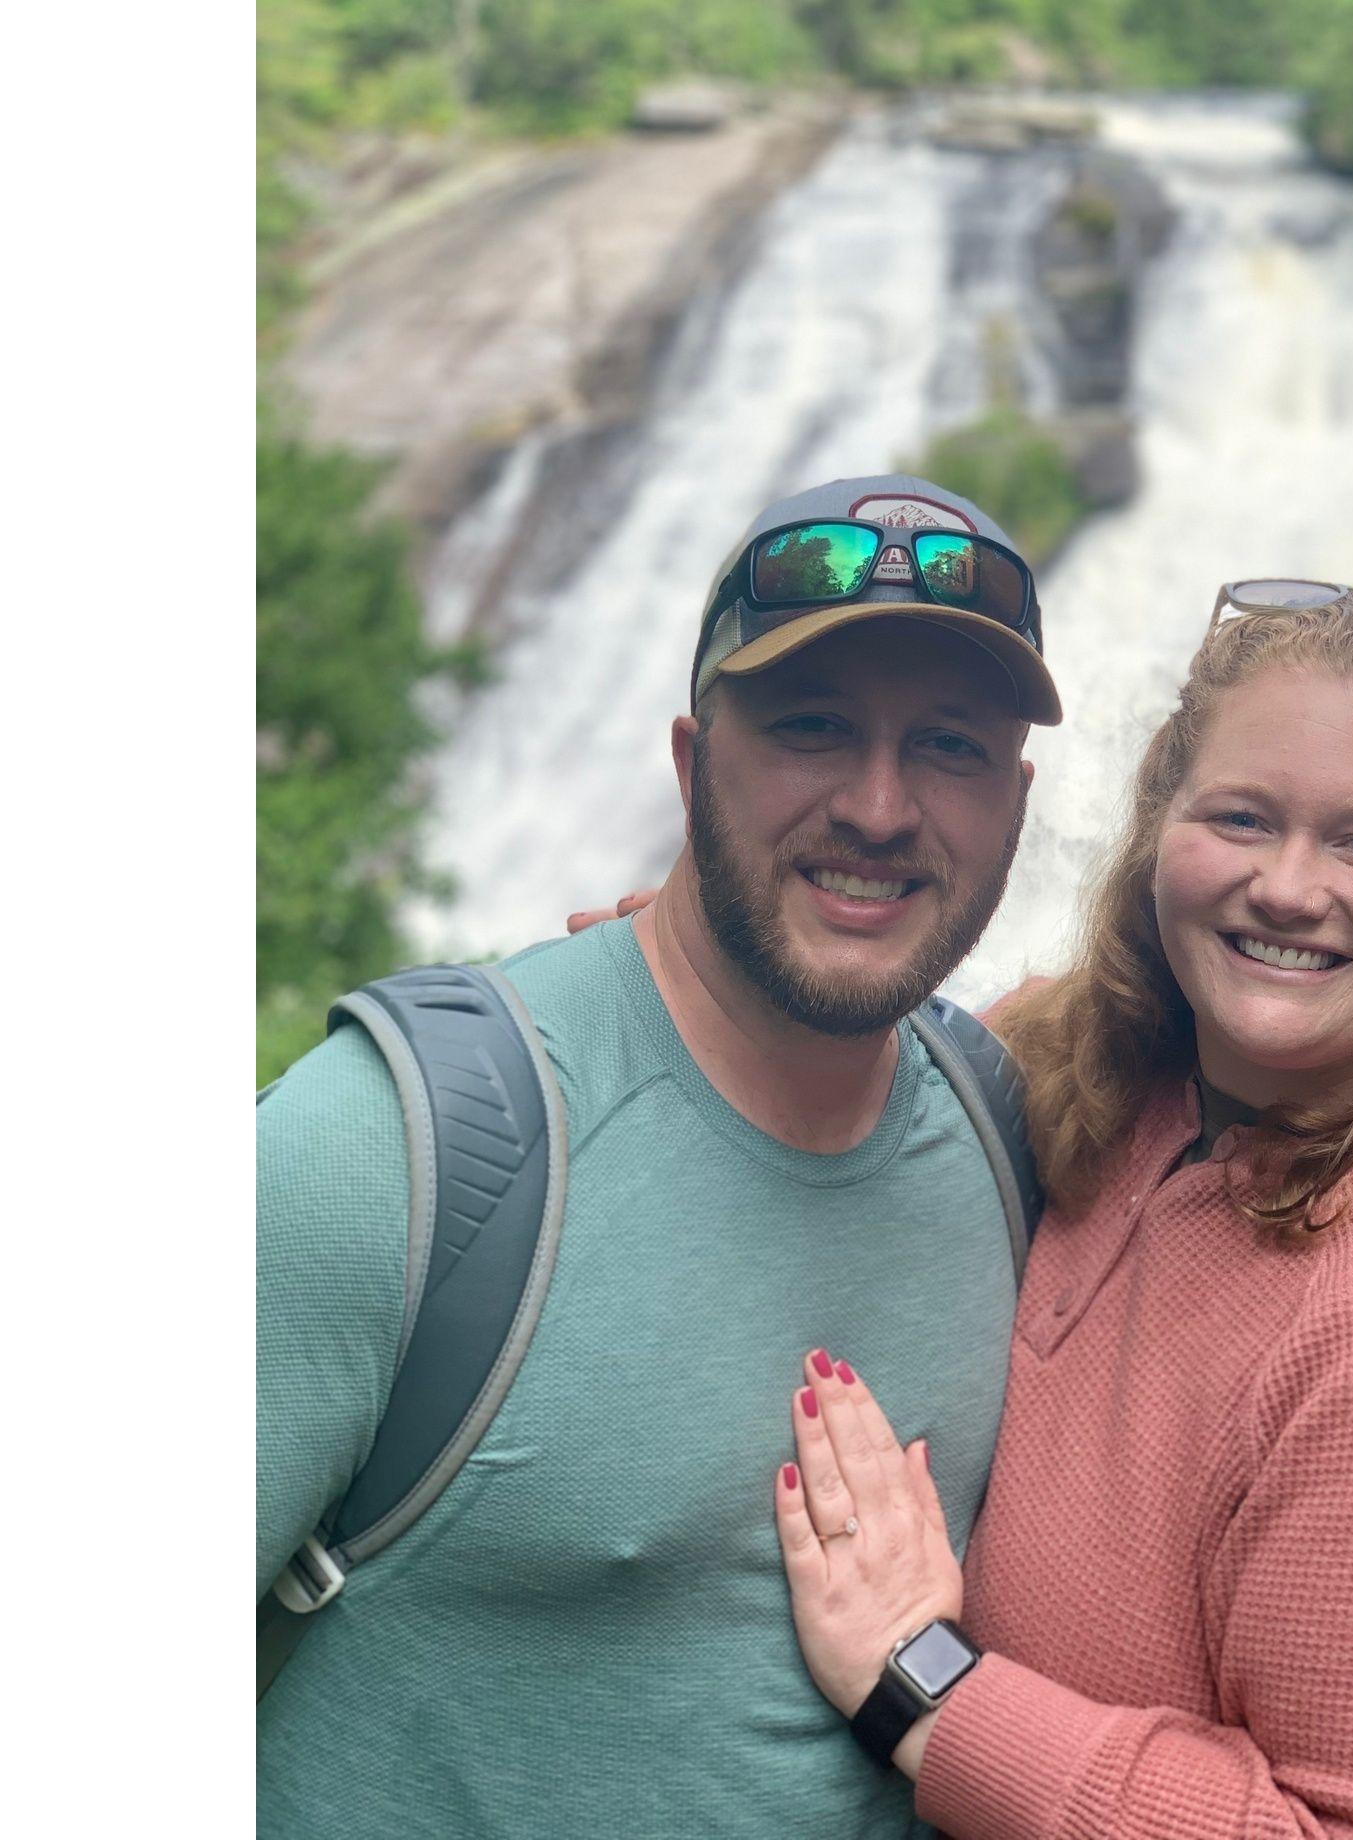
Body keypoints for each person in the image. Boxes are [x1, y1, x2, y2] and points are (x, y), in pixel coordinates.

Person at [746, 582, 1353, 1838]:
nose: (1287, 886)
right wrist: (716, 990)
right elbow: (861, 1072)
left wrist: (920, 1683)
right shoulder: (1096, 1073)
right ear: (1161, 828)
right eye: (1241, 817)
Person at [256, 475, 1062, 1839]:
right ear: (692, 765)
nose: (879, 807)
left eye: (949, 747)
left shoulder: (1014, 1137)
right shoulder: (390, 1150)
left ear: (1016, 804)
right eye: (812, 727)